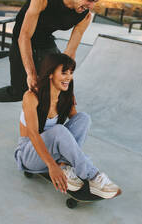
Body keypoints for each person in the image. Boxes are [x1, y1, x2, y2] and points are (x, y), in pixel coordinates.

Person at [0, 0, 104, 121]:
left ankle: (60, 132)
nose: (91, 6)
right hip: (23, 40)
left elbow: (70, 52)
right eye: (89, 0)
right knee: (19, 92)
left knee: (60, 85)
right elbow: (24, 36)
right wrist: (31, 74)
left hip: (46, 42)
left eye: (95, 1)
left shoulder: (85, 16)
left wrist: (67, 84)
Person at [14, 53, 121, 199]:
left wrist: (65, 160)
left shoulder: (65, 97)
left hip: (53, 153)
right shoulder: (31, 97)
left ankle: (65, 166)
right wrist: (52, 166)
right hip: (29, 153)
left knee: (83, 119)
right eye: (64, 72)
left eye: (71, 73)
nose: (68, 77)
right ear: (51, 74)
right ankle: (93, 176)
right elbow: (33, 134)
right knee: (59, 130)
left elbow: (75, 131)